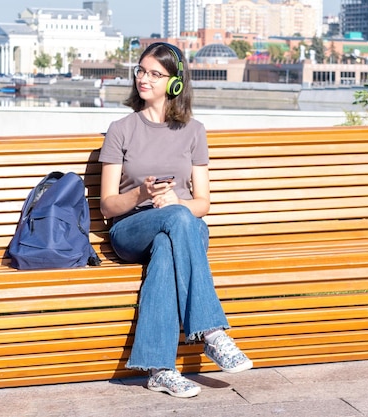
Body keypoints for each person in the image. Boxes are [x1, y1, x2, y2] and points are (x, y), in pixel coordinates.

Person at [98, 42, 253, 398]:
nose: (144, 79)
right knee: (178, 222)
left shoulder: (194, 131)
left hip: (179, 229)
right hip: (131, 229)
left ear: (175, 83)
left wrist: (175, 202)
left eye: (155, 73)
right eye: (141, 71)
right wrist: (143, 195)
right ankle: (211, 331)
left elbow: (203, 204)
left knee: (171, 242)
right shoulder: (121, 129)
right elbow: (107, 206)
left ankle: (160, 370)